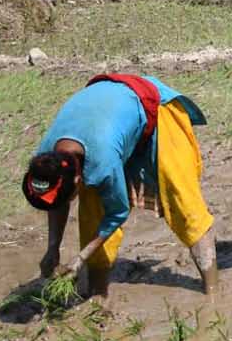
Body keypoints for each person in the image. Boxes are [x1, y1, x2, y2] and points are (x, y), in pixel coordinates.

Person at [24, 74, 218, 297]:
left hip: (155, 108)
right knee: (91, 213)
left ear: (78, 180)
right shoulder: (45, 159)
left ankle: (212, 292)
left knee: (183, 201)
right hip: (109, 112)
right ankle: (97, 294)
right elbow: (56, 201)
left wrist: (81, 257)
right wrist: (53, 247)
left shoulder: (101, 161)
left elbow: (118, 212)